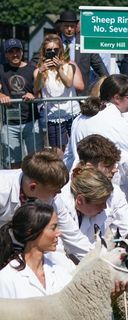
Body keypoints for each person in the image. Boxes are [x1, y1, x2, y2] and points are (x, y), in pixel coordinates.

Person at [0, 149, 92, 260]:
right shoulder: (2, 189)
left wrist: (98, 261)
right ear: (33, 187)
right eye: (55, 190)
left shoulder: (52, 198)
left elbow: (72, 235)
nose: (58, 193)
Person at [0, 201, 73, 298]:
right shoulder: (7, 279)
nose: (59, 233)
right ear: (31, 231)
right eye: (53, 228)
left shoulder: (60, 272)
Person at [33, 34, 82, 152]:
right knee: (58, 152)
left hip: (72, 112)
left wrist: (59, 69)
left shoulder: (68, 66)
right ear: (44, 52)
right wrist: (40, 72)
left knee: (77, 149)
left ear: (60, 49)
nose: (52, 52)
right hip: (53, 114)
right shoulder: (39, 70)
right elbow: (36, 88)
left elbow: (69, 84)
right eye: (49, 50)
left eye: (55, 49)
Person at [0, 38, 43, 169]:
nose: (15, 54)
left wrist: (33, 95)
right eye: (10, 51)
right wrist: (1, 95)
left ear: (22, 52)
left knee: (36, 161)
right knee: (13, 162)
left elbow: (40, 93)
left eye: (17, 51)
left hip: (31, 122)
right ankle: (17, 189)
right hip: (10, 124)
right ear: (6, 54)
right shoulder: (1, 69)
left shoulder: (31, 69)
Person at [57, 10, 108, 95]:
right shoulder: (53, 42)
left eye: (72, 26)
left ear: (76, 26)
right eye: (66, 26)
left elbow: (99, 65)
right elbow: (37, 61)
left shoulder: (85, 43)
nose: (69, 29)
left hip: (81, 93)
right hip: (59, 92)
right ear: (61, 26)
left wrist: (109, 84)